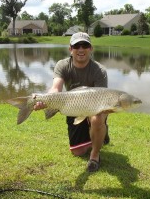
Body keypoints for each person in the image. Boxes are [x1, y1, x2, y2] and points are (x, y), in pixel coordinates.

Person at [34, 32, 109, 172]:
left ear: (90, 48)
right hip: (73, 107)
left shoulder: (99, 70)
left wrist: (98, 119)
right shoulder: (62, 65)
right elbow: (56, 88)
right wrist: (45, 100)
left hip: (95, 108)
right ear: (70, 49)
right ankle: (100, 134)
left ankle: (95, 155)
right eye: (76, 46)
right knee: (78, 152)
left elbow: (102, 98)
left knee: (97, 118)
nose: (81, 49)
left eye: (85, 45)